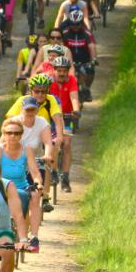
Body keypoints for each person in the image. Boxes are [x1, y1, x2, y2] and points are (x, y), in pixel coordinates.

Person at [0, 122, 43, 252]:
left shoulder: (26, 149)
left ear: (21, 135)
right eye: (9, 133)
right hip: (2, 187)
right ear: (4, 134)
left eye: (17, 133)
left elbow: (35, 172)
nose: (13, 136)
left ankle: (34, 237)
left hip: (21, 187)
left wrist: (38, 183)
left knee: (35, 195)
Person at [7, 95, 55, 212]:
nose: (30, 112)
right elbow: (2, 142)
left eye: (33, 109)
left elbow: (48, 143)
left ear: (37, 110)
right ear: (22, 110)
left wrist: (47, 155)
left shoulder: (42, 123)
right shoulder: (15, 122)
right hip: (17, 161)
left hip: (36, 162)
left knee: (35, 195)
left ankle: (44, 198)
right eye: (27, 109)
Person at [49, 57, 80, 192]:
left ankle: (66, 178)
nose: (62, 73)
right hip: (51, 117)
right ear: (54, 70)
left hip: (67, 117)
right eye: (59, 70)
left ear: (68, 71)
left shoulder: (72, 80)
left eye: (64, 71)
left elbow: (74, 97)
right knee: (53, 143)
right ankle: (53, 172)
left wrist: (76, 110)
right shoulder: (49, 81)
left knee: (66, 144)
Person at [61, 9, 98, 102]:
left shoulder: (87, 33)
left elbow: (92, 46)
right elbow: (61, 46)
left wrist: (93, 59)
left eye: (78, 24)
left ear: (82, 23)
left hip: (84, 60)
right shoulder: (65, 33)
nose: (75, 26)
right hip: (69, 60)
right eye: (73, 24)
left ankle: (87, 89)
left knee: (90, 70)